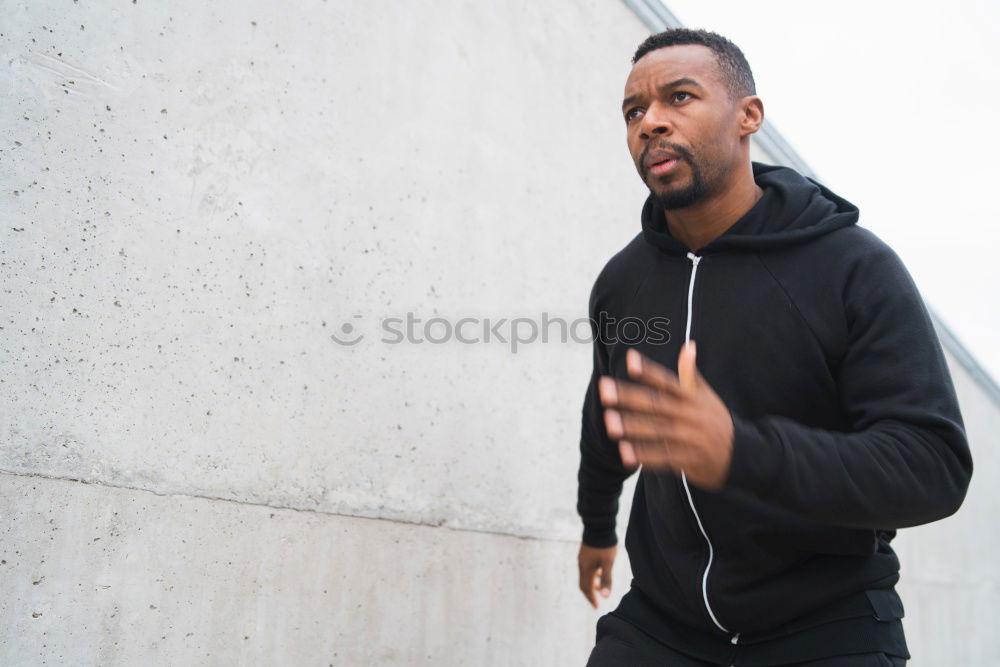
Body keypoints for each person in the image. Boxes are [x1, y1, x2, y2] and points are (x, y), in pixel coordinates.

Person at [576, 28, 973, 666]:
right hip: (662, 624)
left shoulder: (853, 266)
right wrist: (597, 528)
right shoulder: (624, 281)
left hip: (826, 626)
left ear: (748, 116)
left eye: (679, 97)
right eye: (634, 111)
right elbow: (609, 416)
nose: (650, 122)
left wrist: (740, 452)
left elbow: (932, 467)